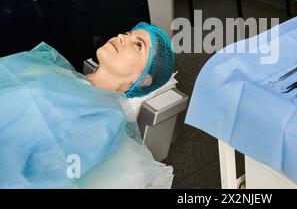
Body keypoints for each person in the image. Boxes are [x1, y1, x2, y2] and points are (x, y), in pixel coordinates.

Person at [0, 22, 175, 188]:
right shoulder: (55, 66)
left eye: (138, 45)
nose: (122, 36)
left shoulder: (104, 120)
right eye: (128, 34)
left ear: (144, 80)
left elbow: (46, 173)